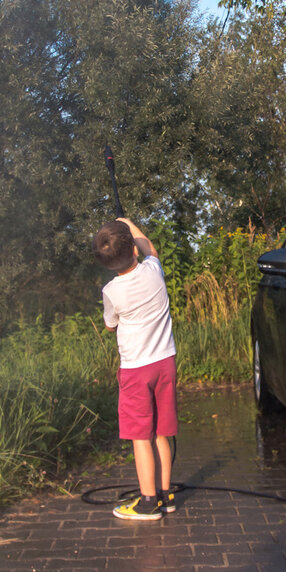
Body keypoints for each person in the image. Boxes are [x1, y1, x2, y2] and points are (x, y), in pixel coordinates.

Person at [92, 216, 178, 521]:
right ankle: (166, 496)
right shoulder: (154, 271)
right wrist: (129, 223)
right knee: (161, 434)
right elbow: (150, 247)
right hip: (165, 362)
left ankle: (147, 501)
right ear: (133, 249)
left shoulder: (111, 292)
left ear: (105, 262)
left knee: (141, 436)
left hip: (135, 371)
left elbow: (110, 325)